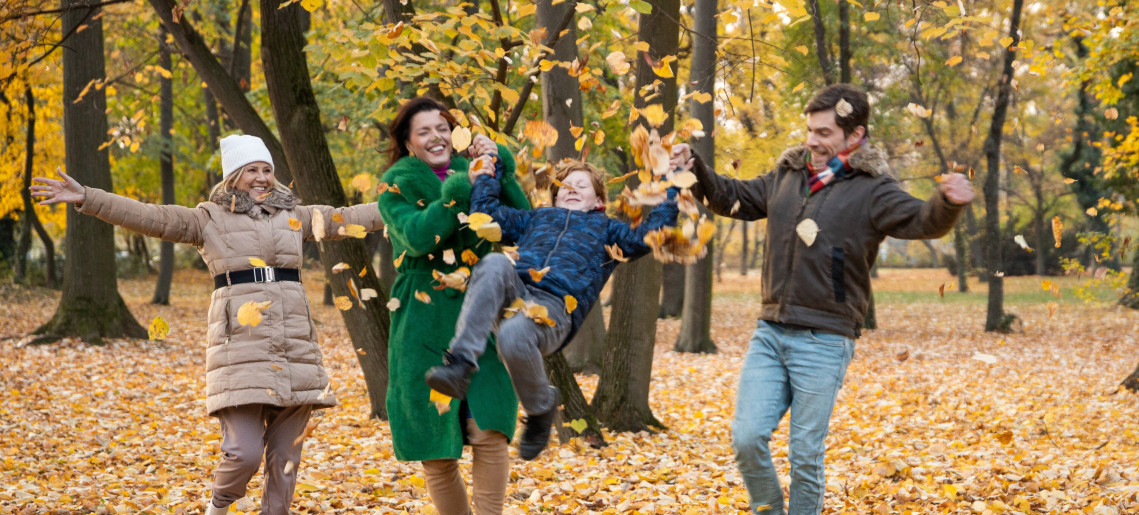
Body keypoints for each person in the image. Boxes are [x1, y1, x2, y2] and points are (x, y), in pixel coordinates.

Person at [30, 134, 385, 515]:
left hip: (295, 345)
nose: (262, 177)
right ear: (234, 175)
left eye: (267, 169)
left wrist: (412, 201)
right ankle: (219, 504)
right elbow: (150, 216)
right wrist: (88, 197)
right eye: (253, 169)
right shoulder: (208, 218)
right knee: (244, 453)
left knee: (285, 461)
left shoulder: (295, 215)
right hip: (240, 348)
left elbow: (349, 219)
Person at [671, 83, 976, 515]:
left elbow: (922, 220)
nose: (812, 141)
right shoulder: (787, 175)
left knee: (804, 456)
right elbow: (731, 198)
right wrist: (695, 167)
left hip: (825, 339)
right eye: (810, 130)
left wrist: (946, 201)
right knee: (746, 437)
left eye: (825, 133)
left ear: (855, 136)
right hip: (770, 331)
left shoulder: (874, 190)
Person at [425, 157, 679, 460]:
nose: (571, 190)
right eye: (565, 187)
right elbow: (485, 216)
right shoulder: (536, 218)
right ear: (555, 195)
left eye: (581, 186)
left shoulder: (608, 230)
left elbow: (649, 235)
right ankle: (460, 364)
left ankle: (541, 407)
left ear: (598, 200)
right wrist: (488, 174)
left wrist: (673, 186)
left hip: (554, 310)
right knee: (494, 262)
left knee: (513, 335)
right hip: (513, 292)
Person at [377, 97, 531, 515]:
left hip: (480, 316)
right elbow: (417, 238)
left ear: (455, 134)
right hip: (422, 322)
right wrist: (459, 194)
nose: (435, 137)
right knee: (437, 448)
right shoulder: (396, 184)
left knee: (490, 429)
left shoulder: (473, 172)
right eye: (423, 131)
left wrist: (499, 170)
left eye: (442, 128)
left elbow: (520, 225)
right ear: (408, 142)